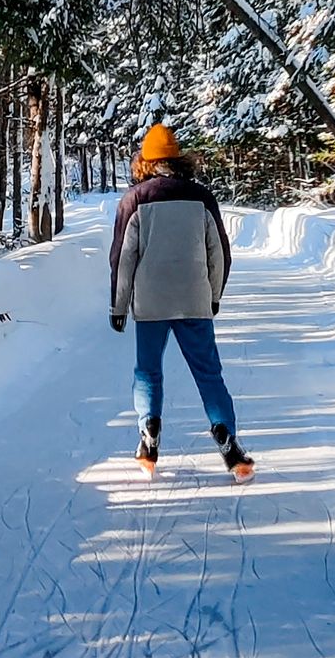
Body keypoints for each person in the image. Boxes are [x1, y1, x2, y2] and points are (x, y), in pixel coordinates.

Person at [109, 123, 254, 479]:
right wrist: (213, 295)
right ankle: (228, 441)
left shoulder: (135, 200)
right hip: (194, 299)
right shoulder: (201, 197)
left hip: (151, 302)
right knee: (208, 373)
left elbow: (123, 257)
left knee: (148, 372)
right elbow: (219, 253)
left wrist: (118, 305)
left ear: (144, 161)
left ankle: (149, 434)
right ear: (178, 159)